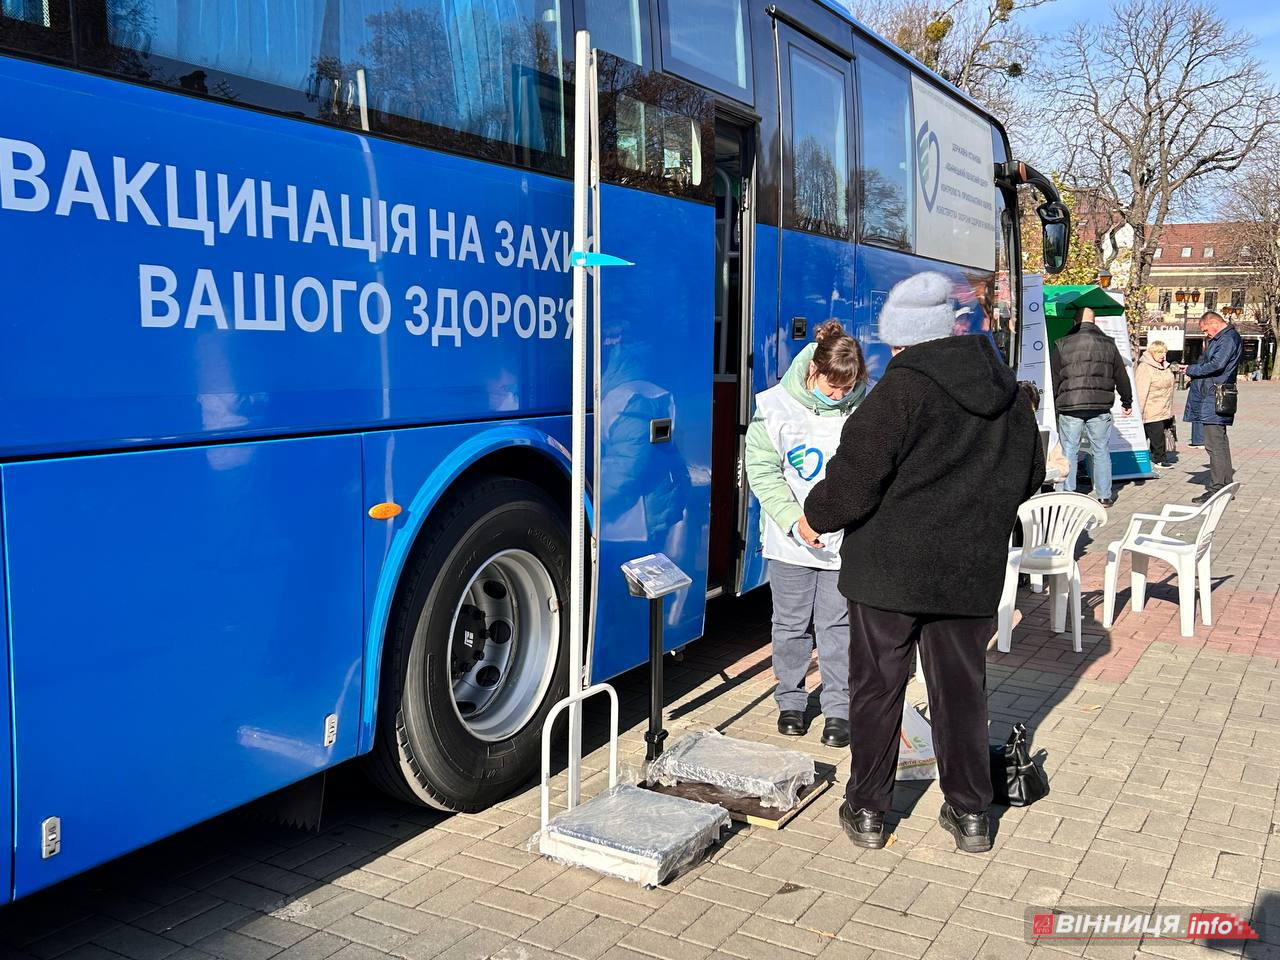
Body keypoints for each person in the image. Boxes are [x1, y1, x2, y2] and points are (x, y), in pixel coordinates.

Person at [804, 272, 1044, 854]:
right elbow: (1031, 476)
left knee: (878, 689)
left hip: (888, 572)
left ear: (907, 338)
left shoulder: (899, 392)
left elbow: (852, 485)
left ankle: (867, 810)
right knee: (962, 692)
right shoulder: (1010, 396)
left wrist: (815, 515)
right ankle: (971, 816)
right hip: (967, 573)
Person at [745, 321, 868, 747]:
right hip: (791, 539)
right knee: (791, 624)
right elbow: (762, 470)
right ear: (813, 371)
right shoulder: (775, 405)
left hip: (842, 541)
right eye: (830, 389)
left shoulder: (863, 407)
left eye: (845, 391)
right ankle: (791, 701)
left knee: (837, 627)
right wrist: (795, 519)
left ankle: (838, 708)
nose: (837, 398)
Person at [1050, 306, 1132, 507]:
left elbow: (1054, 377)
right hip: (1100, 406)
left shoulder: (1062, 343)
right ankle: (1104, 496)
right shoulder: (1109, 344)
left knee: (1069, 449)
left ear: (1074, 322)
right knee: (1101, 450)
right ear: (1094, 322)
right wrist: (1126, 400)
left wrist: (1053, 402)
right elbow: (1121, 375)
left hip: (1070, 405)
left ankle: (1069, 494)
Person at [1184, 310, 1242, 503]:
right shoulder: (1224, 338)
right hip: (1214, 394)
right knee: (1219, 443)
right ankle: (1224, 485)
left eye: (1205, 329)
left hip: (1214, 395)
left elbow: (1216, 365)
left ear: (1213, 323)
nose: (1205, 333)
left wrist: (1191, 370)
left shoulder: (1226, 339)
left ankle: (1218, 488)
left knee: (1214, 444)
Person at [1135, 340, 1176, 468]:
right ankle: (1159, 458)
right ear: (1152, 353)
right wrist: (1138, 412)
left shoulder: (1165, 367)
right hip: (1151, 408)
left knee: (1152, 434)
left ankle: (1149, 455)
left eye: (1164, 352)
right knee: (1156, 435)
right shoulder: (1145, 367)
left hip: (1164, 408)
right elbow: (1140, 391)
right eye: (1159, 352)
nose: (1163, 355)